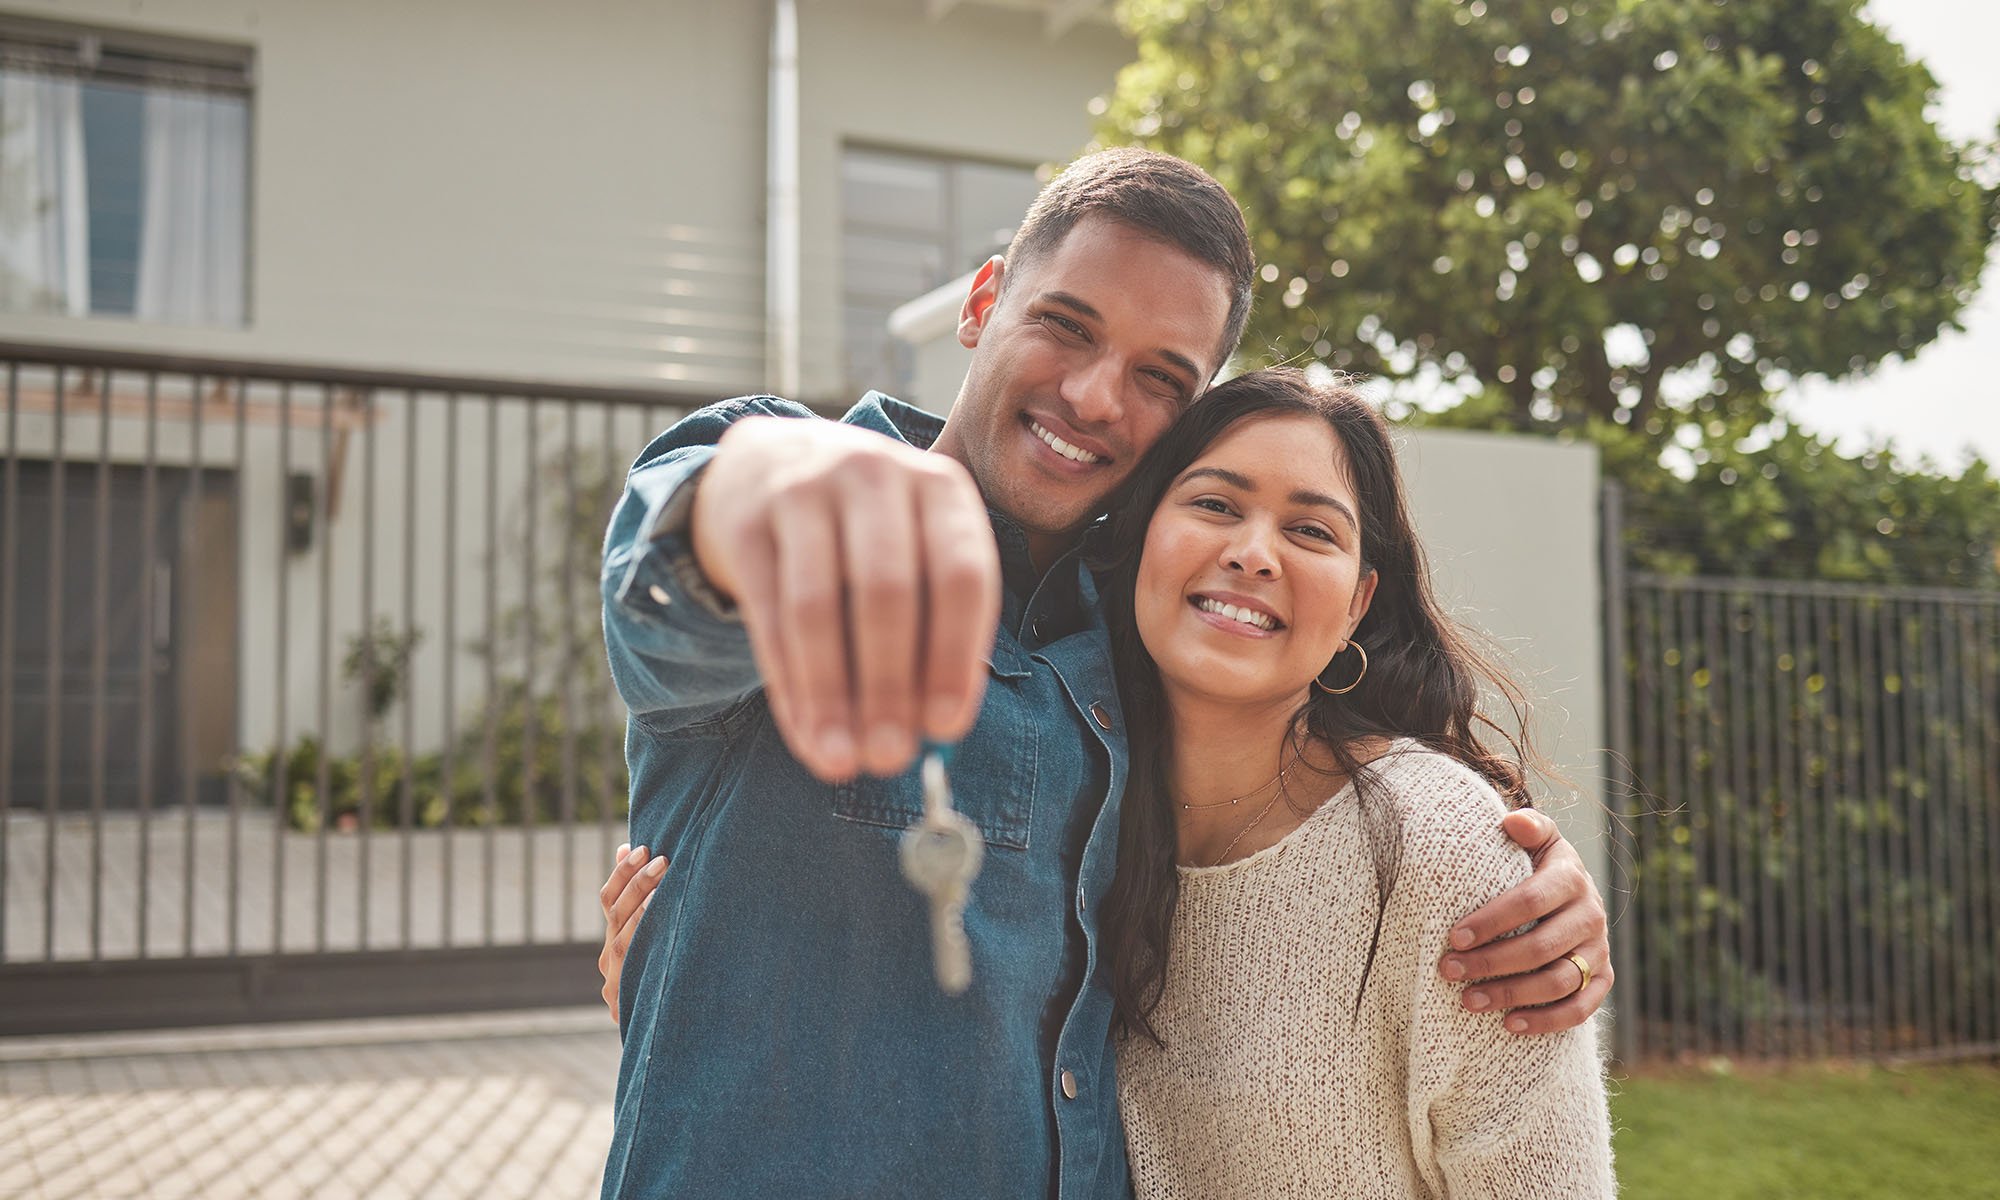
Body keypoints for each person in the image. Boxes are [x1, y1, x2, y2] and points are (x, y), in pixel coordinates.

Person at [596, 148, 1612, 1199]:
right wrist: (771, 492)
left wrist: (1526, 888)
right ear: (984, 301)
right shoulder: (788, 487)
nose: (1091, 396)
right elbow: (669, 591)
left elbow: (1299, 773)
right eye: (1064, 326)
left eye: (1157, 379)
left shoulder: (1134, 635)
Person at [1093, 367, 1614, 1195]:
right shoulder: (1069, 807)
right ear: (1140, 538)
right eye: (1215, 505)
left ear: (1358, 606)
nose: (1252, 553)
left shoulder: (1441, 846)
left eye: (1311, 531)